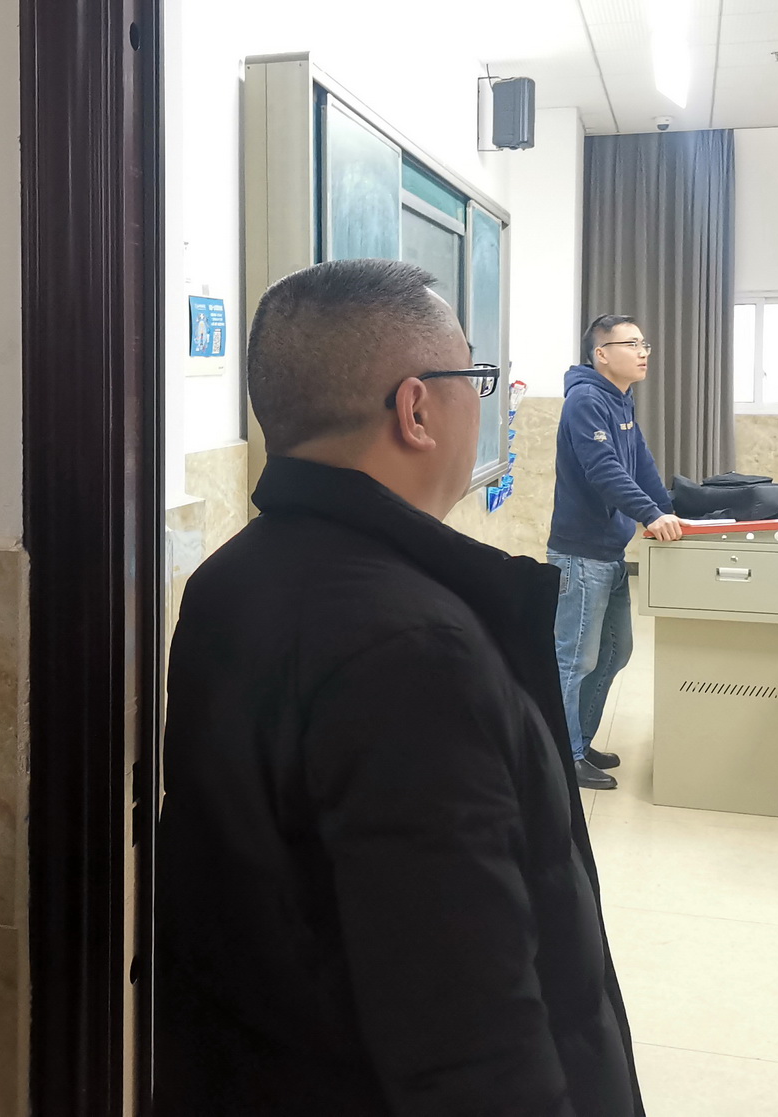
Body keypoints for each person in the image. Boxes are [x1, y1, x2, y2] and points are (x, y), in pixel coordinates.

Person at [155, 260, 647, 1117]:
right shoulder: (414, 649)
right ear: (416, 409)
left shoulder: (231, 576)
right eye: (474, 379)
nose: (482, 404)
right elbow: (468, 1024)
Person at [547, 314, 681, 791]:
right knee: (573, 661)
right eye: (631, 344)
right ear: (601, 354)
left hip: (609, 550)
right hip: (581, 554)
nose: (643, 352)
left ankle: (579, 742)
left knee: (615, 651)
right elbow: (603, 468)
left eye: (644, 344)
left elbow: (639, 463)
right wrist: (649, 515)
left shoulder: (619, 399)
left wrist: (668, 513)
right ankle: (562, 757)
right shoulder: (585, 400)